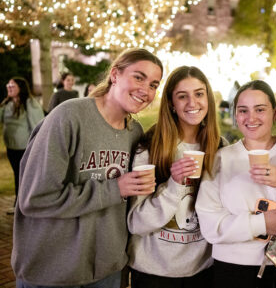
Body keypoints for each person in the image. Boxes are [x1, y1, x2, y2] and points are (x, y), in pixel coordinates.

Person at [12, 48, 163, 288]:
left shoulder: (134, 132)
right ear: (114, 75)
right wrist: (116, 188)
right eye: (138, 77)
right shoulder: (68, 117)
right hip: (53, 272)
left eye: (154, 85)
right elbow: (35, 198)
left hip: (107, 271)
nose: (146, 90)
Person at [196, 80, 276, 288]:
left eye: (260, 109)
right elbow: (210, 226)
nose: (251, 118)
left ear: (274, 113)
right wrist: (260, 224)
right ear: (235, 115)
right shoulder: (220, 159)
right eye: (243, 110)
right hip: (234, 269)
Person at [127, 65, 224, 288]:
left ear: (208, 98)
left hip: (202, 271)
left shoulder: (219, 149)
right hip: (153, 274)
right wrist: (174, 185)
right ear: (171, 103)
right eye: (182, 96)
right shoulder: (149, 148)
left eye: (199, 94)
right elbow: (137, 223)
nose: (192, 103)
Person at [0, 77, 44, 214]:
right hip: (11, 147)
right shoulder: (7, 103)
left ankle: (22, 205)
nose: (9, 87)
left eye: (12, 85)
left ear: (21, 88)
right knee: (18, 175)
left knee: (24, 177)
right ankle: (19, 204)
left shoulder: (30, 103)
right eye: (8, 85)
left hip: (25, 148)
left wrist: (36, 147)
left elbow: (38, 127)